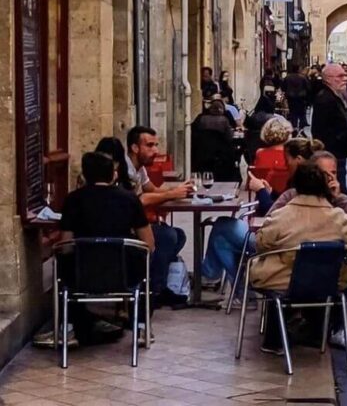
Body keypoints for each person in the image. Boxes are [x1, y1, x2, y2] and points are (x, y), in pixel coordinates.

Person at [251, 162, 347, 353]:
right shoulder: (337, 217)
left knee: (270, 271)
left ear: (295, 186)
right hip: (328, 281)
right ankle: (340, 329)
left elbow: (261, 243)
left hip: (282, 281)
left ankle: (275, 339)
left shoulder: (282, 216)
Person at [201, 137, 324, 289]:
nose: (285, 164)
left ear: (298, 159)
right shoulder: (309, 181)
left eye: (287, 160)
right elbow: (284, 204)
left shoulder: (299, 182)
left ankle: (215, 277)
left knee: (222, 228)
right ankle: (224, 283)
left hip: (280, 241)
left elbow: (275, 213)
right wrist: (270, 193)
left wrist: (260, 191)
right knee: (222, 236)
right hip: (292, 240)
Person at [58, 151, 154, 345]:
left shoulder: (73, 200)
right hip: (125, 275)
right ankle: (142, 326)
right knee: (142, 265)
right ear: (114, 175)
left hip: (81, 276)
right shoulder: (129, 199)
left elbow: (66, 246)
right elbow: (149, 244)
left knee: (62, 264)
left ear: (84, 176)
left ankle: (68, 327)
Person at [125, 126, 191, 305]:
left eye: (156, 145)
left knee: (179, 235)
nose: (155, 150)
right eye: (150, 145)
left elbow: (152, 189)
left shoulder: (139, 168)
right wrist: (171, 194)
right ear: (135, 148)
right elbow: (141, 200)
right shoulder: (127, 169)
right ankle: (155, 290)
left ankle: (155, 281)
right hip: (126, 228)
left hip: (137, 224)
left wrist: (178, 189)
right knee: (167, 236)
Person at [311, 62, 347, 194]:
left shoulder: (334, 96)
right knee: (338, 191)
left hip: (336, 153)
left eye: (345, 75)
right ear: (328, 79)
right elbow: (321, 130)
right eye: (340, 76)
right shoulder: (325, 99)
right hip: (333, 153)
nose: (345, 78)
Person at [191, 97, 237, 179]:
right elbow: (229, 137)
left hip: (203, 153)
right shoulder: (224, 120)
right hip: (220, 155)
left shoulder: (202, 119)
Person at [281, 64, 310, 133]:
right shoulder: (302, 78)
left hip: (291, 98)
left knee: (293, 112)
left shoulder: (287, 77)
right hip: (301, 98)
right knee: (301, 112)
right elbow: (308, 88)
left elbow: (283, 87)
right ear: (298, 69)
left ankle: (294, 126)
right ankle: (301, 127)